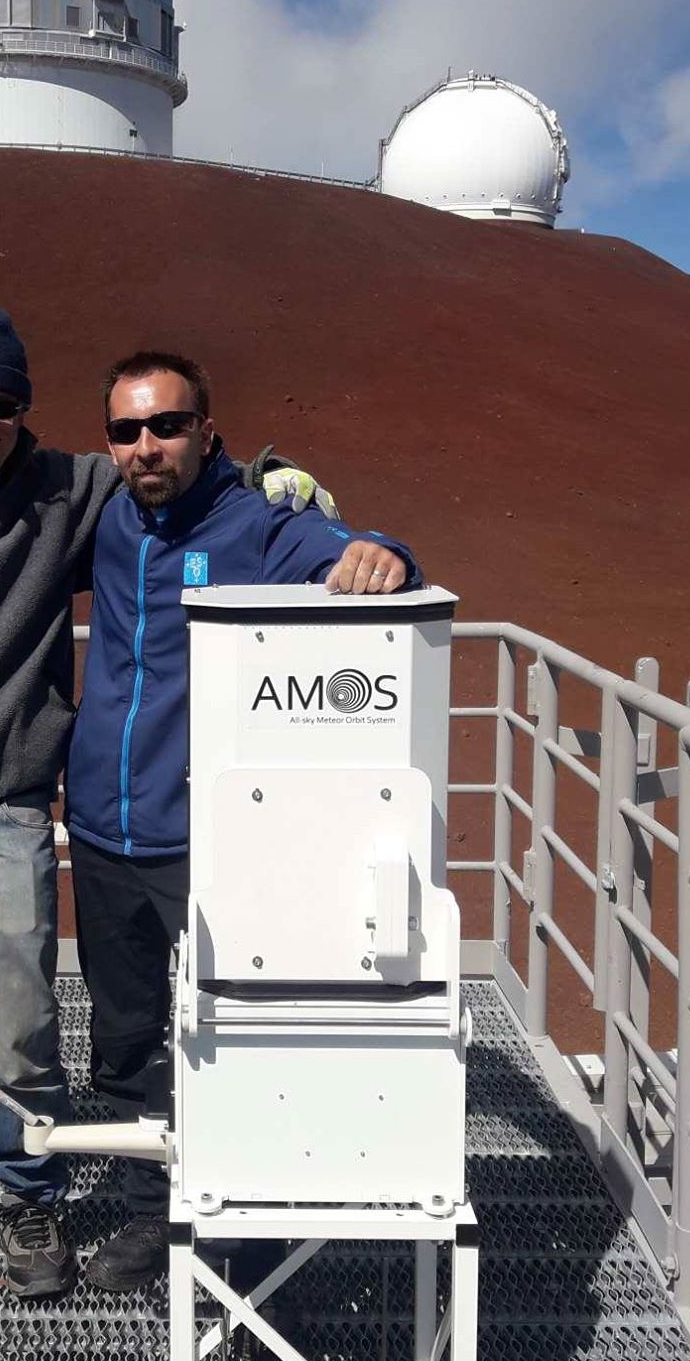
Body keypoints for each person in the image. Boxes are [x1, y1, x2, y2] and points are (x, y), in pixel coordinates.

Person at [0, 302, 335, 1304]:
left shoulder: (61, 491)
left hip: (8, 812)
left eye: (2, 406)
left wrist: (274, 474)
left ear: (23, 412)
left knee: (20, 1028)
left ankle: (26, 1196)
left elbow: (175, 473)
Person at [63, 352, 422, 1291]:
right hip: (101, 831)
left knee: (229, 1034)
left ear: (207, 432)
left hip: (208, 842)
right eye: (127, 431)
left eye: (168, 425)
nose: (147, 446)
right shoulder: (107, 521)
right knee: (128, 1039)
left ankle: (241, 1234)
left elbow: (347, 553)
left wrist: (380, 549)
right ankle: (151, 1211)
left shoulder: (256, 524)